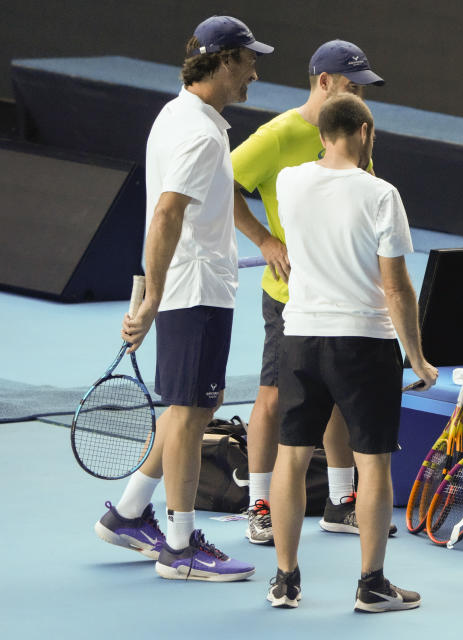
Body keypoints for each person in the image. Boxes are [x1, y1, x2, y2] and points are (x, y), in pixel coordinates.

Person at [92, 15, 273, 581]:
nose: (254, 73)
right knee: (193, 412)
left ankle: (127, 512)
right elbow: (167, 213)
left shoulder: (181, 115)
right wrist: (152, 298)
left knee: (192, 406)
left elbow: (167, 215)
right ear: (222, 62)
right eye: (247, 60)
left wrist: (151, 289)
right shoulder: (197, 131)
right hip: (194, 288)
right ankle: (179, 547)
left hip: (193, 284)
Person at [267, 93, 437, 611]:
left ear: (323, 133)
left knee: (291, 458)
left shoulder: (289, 181)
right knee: (374, 464)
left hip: (299, 338)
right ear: (364, 132)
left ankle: (285, 580)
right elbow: (397, 287)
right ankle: (372, 585)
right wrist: (418, 356)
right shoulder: (382, 194)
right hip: (363, 342)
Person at [231, 39, 394, 545]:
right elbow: (222, 183)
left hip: (343, 296)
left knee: (341, 400)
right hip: (289, 297)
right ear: (323, 82)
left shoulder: (356, 136)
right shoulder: (277, 136)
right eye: (352, 86)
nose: (361, 97)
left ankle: (341, 501)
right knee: (274, 396)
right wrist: (264, 238)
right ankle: (259, 504)